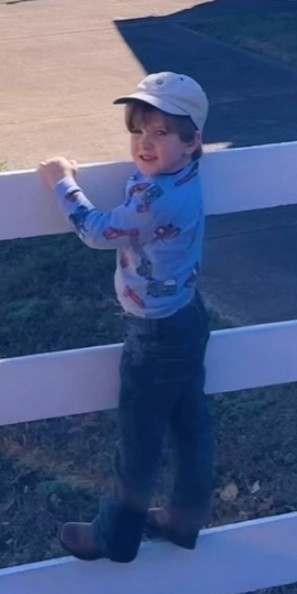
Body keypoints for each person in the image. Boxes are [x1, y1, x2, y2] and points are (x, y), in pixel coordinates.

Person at [37, 70, 212, 564]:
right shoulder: (180, 176)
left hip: (155, 333)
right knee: (190, 422)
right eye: (137, 130)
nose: (144, 143)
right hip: (186, 314)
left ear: (193, 141)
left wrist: (62, 183)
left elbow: (97, 231)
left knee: (139, 438)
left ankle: (114, 535)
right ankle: (184, 517)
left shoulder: (158, 198)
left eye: (161, 132)